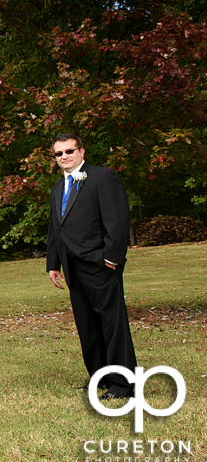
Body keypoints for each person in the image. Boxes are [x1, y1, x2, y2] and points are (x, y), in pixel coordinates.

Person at [46, 133, 136, 399]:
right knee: (88, 327)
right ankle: (100, 377)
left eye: (69, 151)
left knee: (112, 324)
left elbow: (117, 221)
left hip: (100, 265)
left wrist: (111, 258)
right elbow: (55, 228)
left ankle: (123, 384)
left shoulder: (102, 178)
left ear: (82, 152)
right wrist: (53, 263)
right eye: (59, 154)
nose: (64, 157)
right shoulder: (57, 188)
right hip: (72, 268)